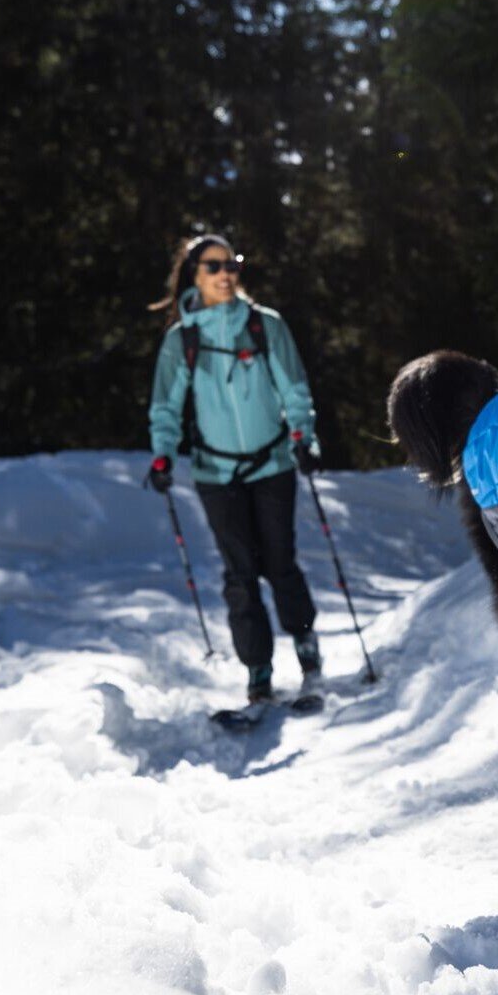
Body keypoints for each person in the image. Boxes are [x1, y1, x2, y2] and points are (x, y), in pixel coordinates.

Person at [145, 233, 322, 704]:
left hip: (272, 464)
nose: (226, 273)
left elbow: (295, 389)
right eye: (214, 266)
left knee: (280, 562)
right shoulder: (183, 338)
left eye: (233, 264)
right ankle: (258, 672)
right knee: (239, 574)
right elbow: (166, 406)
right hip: (215, 474)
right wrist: (163, 454)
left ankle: (307, 652)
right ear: (194, 274)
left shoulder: (265, 326)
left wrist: (304, 437)